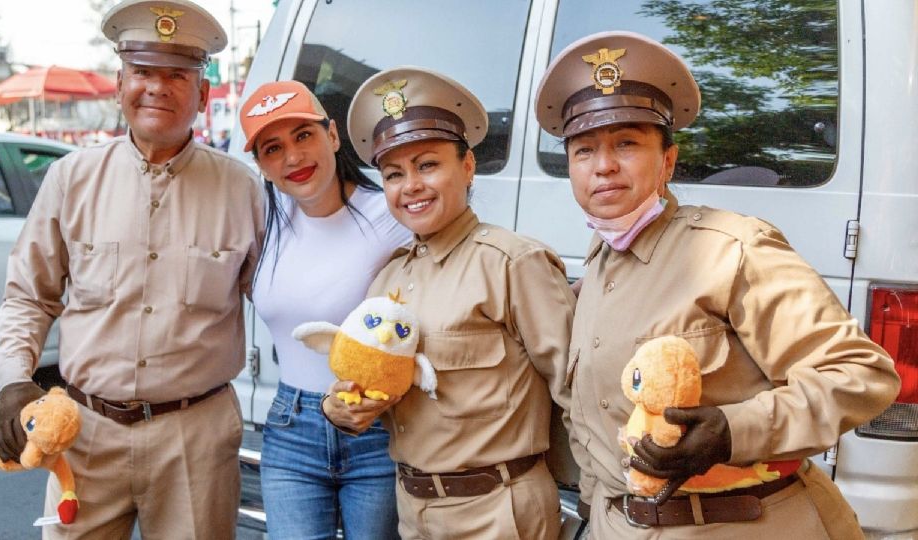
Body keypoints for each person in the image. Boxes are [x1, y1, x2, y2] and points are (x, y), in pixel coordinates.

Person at [534, 31, 901, 538]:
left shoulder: (732, 248)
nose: (603, 166)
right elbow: (593, 430)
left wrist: (733, 431)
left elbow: (860, 374)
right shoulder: (599, 266)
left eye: (626, 144)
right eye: (583, 150)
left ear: (667, 161)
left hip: (736, 522)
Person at [0, 1, 264, 538]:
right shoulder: (71, 179)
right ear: (120, 86)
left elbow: (279, 296)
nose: (157, 88)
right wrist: (13, 382)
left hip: (196, 439)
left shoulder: (244, 190)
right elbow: (30, 294)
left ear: (204, 95)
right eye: (143, 72)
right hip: (84, 436)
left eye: (176, 75)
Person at [321, 66, 588, 540]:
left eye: (428, 165)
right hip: (414, 511)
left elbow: (577, 389)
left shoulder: (511, 262)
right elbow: (374, 386)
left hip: (498, 513)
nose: (411, 186)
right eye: (394, 174)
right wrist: (340, 408)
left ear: (466, 168)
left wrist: (600, 499)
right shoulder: (388, 277)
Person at [237, 80, 409, 540]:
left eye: (304, 136)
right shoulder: (263, 221)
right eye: (273, 148)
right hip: (291, 428)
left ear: (332, 136)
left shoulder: (392, 214)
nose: (293, 158)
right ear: (260, 164)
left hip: (376, 427)